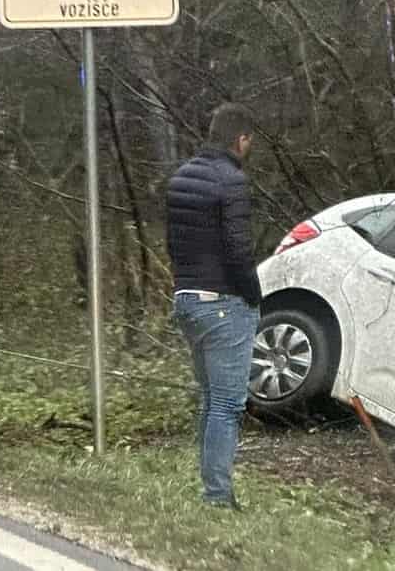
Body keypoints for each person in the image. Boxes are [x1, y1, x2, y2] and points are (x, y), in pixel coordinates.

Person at [166, 103, 261, 510]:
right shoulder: (232, 181)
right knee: (227, 403)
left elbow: (174, 242)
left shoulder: (180, 177)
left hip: (187, 299)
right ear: (240, 139)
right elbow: (238, 251)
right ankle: (218, 496)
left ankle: (211, 487)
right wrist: (253, 296)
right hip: (224, 304)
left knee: (210, 399)